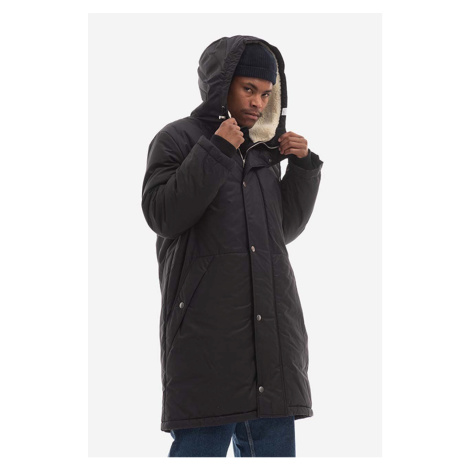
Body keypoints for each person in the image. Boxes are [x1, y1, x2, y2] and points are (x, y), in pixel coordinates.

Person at [141, 35, 324, 457]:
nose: (258, 102)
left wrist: (302, 170)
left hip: (272, 342)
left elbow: (280, 231)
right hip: (208, 341)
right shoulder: (177, 139)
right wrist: (217, 148)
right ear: (220, 84)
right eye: (248, 89)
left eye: (266, 93)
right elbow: (163, 215)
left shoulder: (262, 149)